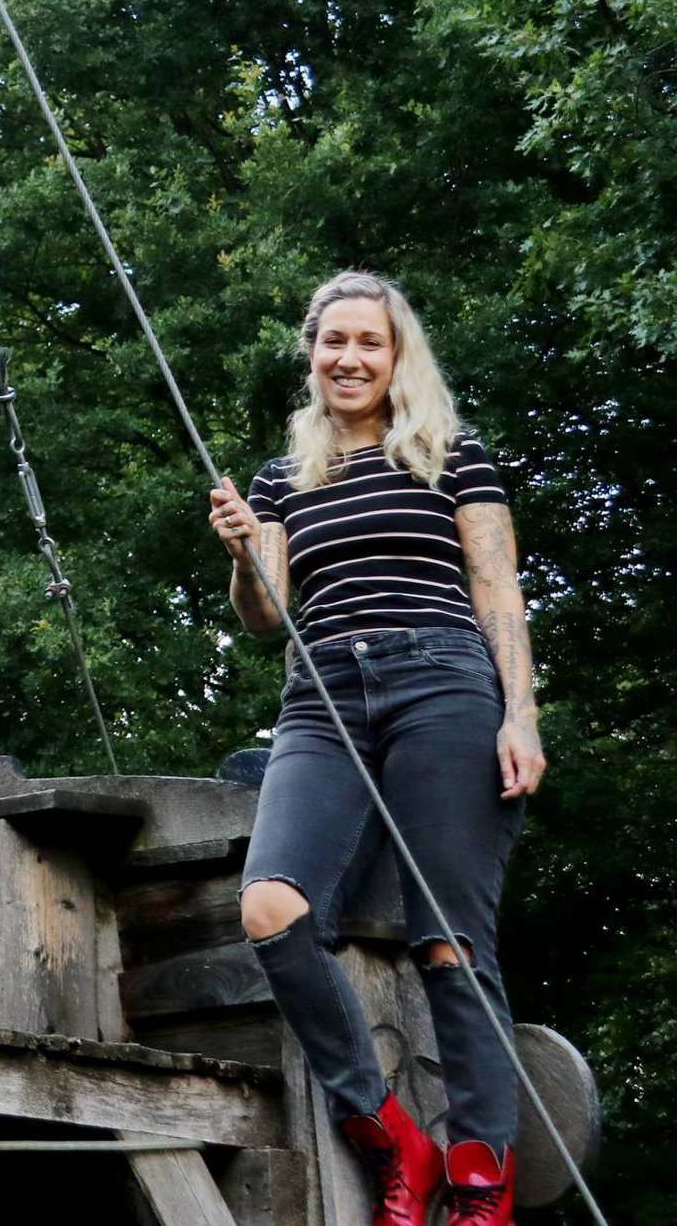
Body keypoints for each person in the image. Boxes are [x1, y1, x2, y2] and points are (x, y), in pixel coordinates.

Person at [210, 271, 539, 1224]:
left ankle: (483, 1180)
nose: (349, 358)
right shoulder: (282, 477)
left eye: (370, 342)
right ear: (311, 354)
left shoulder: (453, 454)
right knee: (271, 907)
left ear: (398, 358)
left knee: (450, 941)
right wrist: (243, 552)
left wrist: (519, 715)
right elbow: (267, 617)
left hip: (444, 681)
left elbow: (498, 592)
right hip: (320, 695)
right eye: (333, 342)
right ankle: (390, 1135)